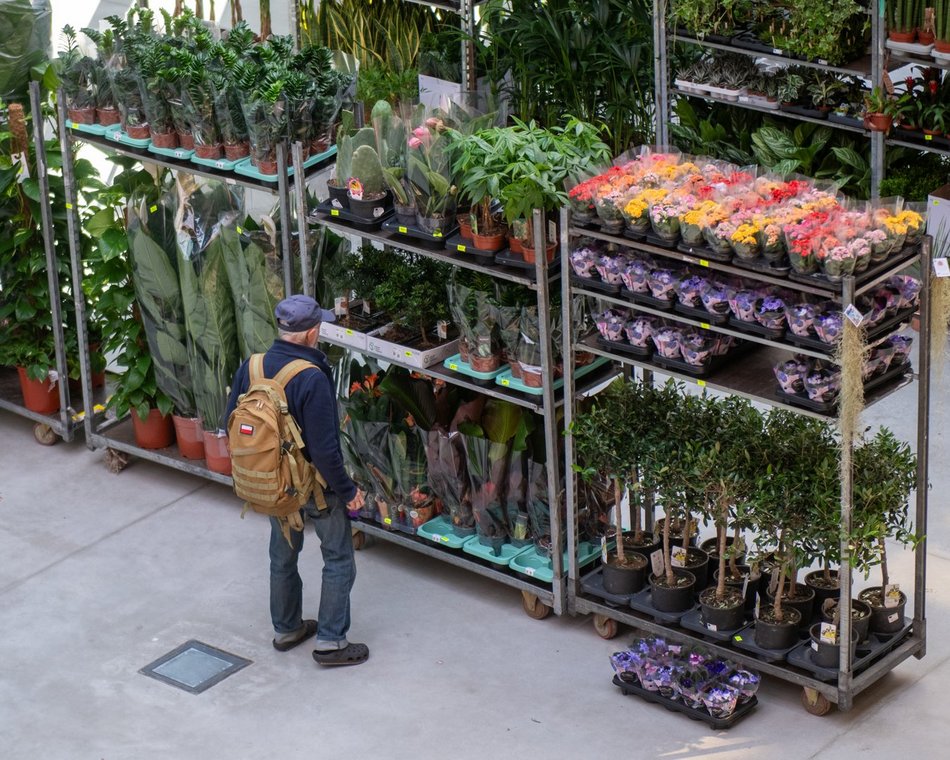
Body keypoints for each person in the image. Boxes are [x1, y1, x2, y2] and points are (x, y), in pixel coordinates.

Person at [225, 295, 369, 666]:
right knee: (338, 557)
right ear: (310, 334)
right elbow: (324, 451)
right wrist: (349, 492)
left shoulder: (253, 366)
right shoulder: (312, 377)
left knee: (282, 555)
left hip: (273, 484)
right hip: (314, 488)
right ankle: (331, 643)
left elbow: (229, 422)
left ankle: (287, 629)